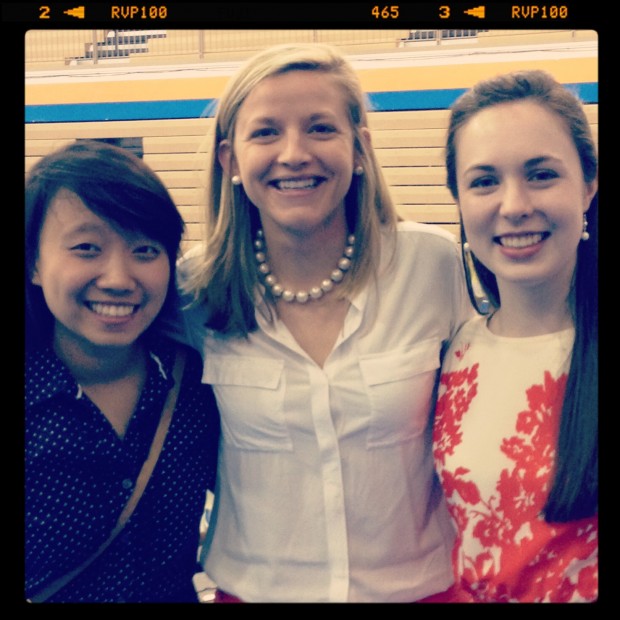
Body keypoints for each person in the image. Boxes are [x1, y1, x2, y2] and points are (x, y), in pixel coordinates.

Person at [177, 42, 473, 603]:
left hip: (422, 591)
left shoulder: (432, 265)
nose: (294, 153)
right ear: (230, 161)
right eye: (265, 132)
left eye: (320, 128)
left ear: (360, 148)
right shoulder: (194, 289)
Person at [25, 140, 220, 603]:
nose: (118, 277)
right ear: (33, 262)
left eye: (145, 250)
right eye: (87, 248)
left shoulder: (196, 380)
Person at [430, 70, 598, 602]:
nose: (514, 204)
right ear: (458, 199)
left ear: (589, 185)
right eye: (484, 181)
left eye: (542, 174)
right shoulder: (455, 352)